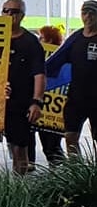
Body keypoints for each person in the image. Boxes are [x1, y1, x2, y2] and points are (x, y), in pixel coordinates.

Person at [0, 0, 45, 174]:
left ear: (22, 16)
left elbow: (39, 74)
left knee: (19, 148)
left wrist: (36, 102)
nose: (9, 14)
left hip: (19, 102)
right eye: (5, 10)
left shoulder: (31, 42)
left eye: (14, 11)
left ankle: (19, 189)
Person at [46, 0, 97, 155]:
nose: (88, 16)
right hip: (76, 97)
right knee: (70, 137)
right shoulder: (76, 38)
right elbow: (54, 61)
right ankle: (77, 173)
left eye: (92, 13)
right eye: (84, 12)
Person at [31, 25, 65, 165]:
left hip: (52, 112)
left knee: (51, 146)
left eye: (42, 37)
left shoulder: (63, 58)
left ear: (49, 40)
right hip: (39, 106)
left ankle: (61, 172)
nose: (39, 40)